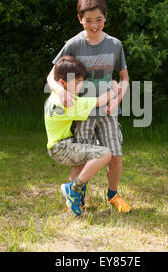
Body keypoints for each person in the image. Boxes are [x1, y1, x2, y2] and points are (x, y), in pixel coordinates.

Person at [46, 0, 131, 213]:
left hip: (108, 109)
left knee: (115, 155)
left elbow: (124, 79)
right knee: (83, 155)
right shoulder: (73, 44)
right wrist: (60, 91)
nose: (94, 25)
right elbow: (51, 76)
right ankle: (76, 195)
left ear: (106, 17)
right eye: (88, 20)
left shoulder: (115, 45)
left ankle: (113, 194)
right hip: (82, 111)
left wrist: (118, 98)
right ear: (79, 19)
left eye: (99, 19)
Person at [45, 55, 120, 216]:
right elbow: (100, 101)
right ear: (62, 83)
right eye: (77, 83)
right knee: (105, 153)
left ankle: (74, 202)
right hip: (61, 147)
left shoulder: (55, 94)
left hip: (59, 144)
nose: (80, 86)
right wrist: (114, 89)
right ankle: (73, 188)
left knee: (88, 154)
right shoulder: (67, 102)